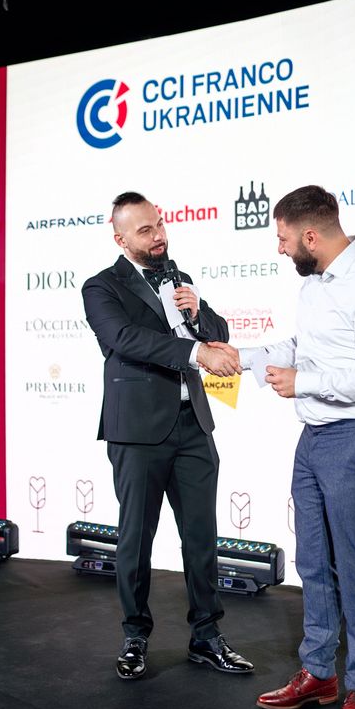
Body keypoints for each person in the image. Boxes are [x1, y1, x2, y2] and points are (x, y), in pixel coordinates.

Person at [210, 185, 355, 709]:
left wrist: (306, 383)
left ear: (311, 236)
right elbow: (305, 349)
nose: (280, 248)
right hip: (315, 438)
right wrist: (243, 357)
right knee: (314, 562)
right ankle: (319, 673)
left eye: (283, 238)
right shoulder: (317, 283)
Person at [82, 191, 253, 680]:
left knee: (201, 537)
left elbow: (218, 333)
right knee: (136, 539)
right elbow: (124, 339)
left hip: (192, 425)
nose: (158, 236)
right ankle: (135, 636)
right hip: (138, 431)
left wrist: (198, 314)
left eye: (159, 225)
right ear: (120, 239)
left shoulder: (180, 278)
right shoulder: (101, 287)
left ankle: (207, 636)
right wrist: (195, 352)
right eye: (145, 230)